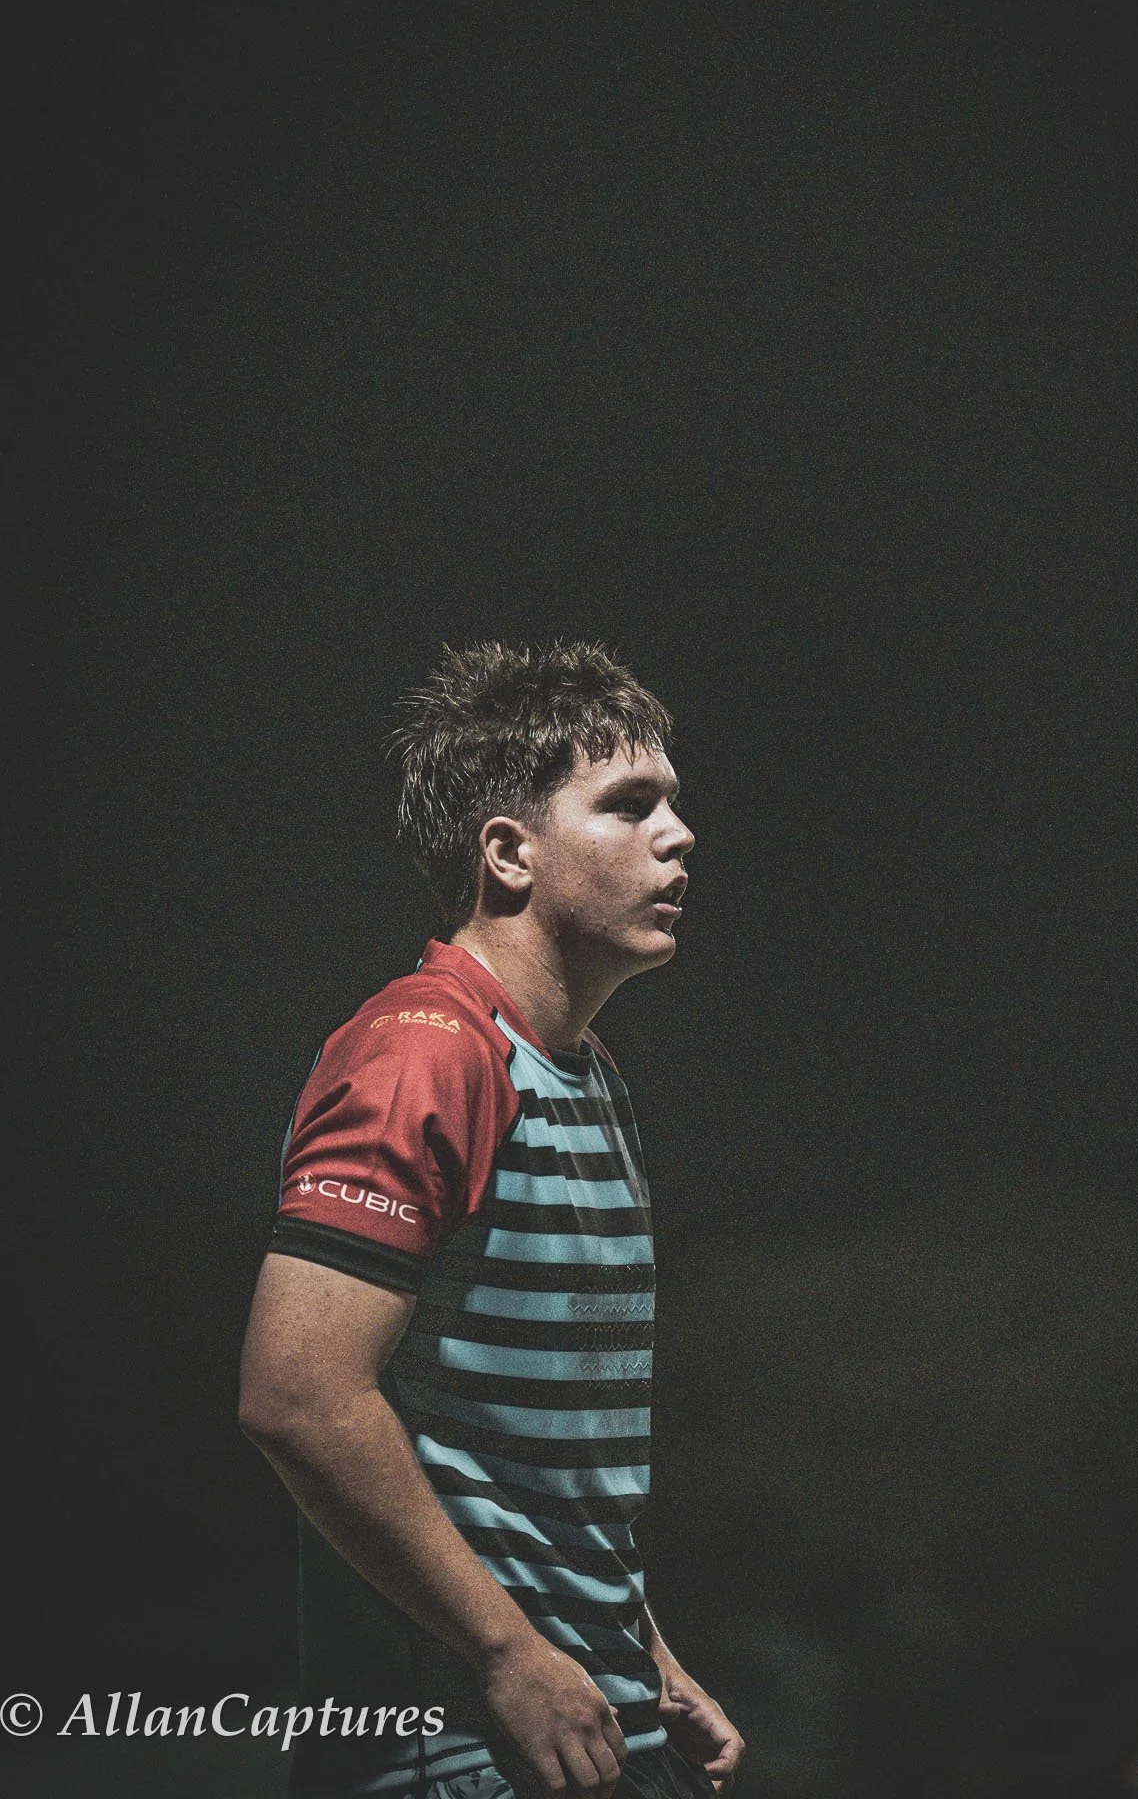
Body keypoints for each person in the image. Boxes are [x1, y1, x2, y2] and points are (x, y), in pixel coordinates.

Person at [239, 642, 743, 1799]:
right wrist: (509, 1650)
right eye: (629, 805)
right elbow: (298, 1396)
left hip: (592, 1728)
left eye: (673, 802)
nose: (680, 833)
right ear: (507, 853)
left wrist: (642, 1654)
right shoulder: (425, 1051)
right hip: (462, 1747)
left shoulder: (582, 1071)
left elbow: (528, 1463)